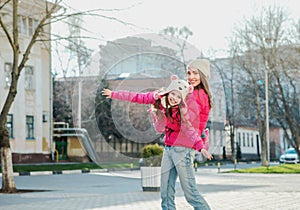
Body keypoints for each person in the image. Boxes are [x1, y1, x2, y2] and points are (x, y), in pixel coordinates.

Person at [102, 74, 212, 210]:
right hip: (169, 149)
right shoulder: (157, 98)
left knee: (191, 193)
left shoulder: (181, 112)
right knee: (165, 193)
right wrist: (114, 94)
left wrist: (201, 147)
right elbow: (136, 97)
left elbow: (189, 130)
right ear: (168, 91)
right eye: (173, 94)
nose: (174, 99)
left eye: (179, 97)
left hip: (183, 151)